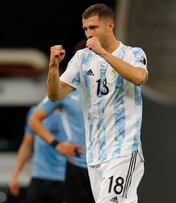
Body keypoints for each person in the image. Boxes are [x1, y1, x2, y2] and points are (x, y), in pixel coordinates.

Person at [46, 3, 148, 203]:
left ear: (110, 25)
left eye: (93, 27)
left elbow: (138, 77)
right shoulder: (82, 59)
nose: (88, 33)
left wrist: (103, 53)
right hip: (95, 155)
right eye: (85, 28)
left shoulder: (134, 53)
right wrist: (53, 67)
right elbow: (55, 95)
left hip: (124, 150)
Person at [29, 89, 95, 203]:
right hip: (77, 165)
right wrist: (58, 145)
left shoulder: (103, 83)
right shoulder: (66, 87)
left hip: (105, 163)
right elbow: (34, 120)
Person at [8, 106, 67, 203]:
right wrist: (15, 175)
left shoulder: (72, 110)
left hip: (64, 178)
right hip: (39, 176)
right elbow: (27, 144)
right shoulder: (34, 111)